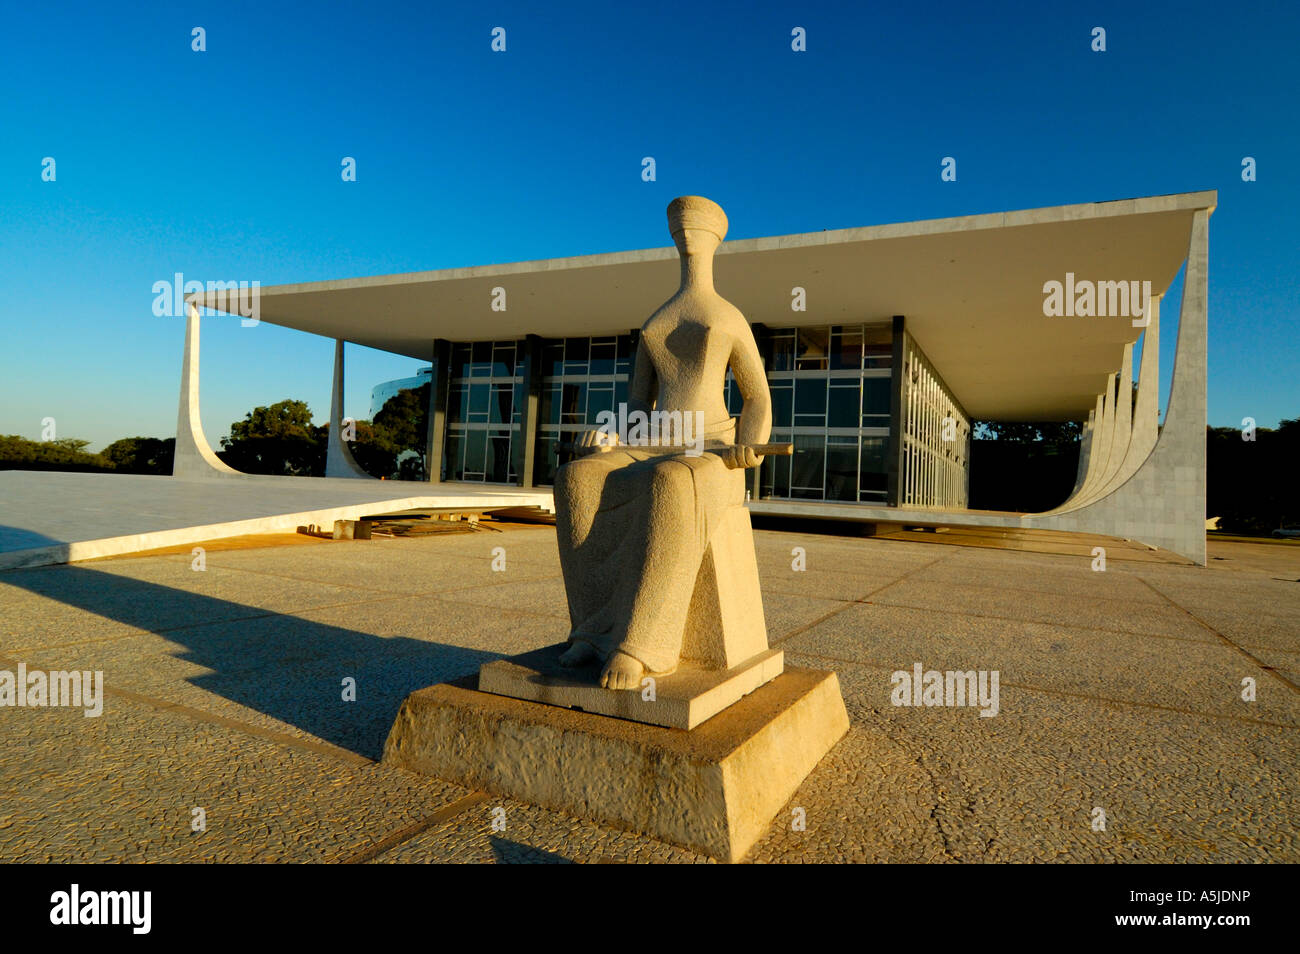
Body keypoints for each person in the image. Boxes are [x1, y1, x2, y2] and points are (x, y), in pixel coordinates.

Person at [554, 196, 772, 689]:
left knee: (672, 481)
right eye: (678, 225)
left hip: (711, 448)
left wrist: (749, 445)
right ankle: (591, 627)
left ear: (716, 236)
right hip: (650, 441)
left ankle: (641, 643)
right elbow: (636, 402)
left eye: (695, 225)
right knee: (577, 478)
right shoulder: (658, 317)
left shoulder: (728, 315)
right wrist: (611, 437)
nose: (685, 232)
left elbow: (757, 396)